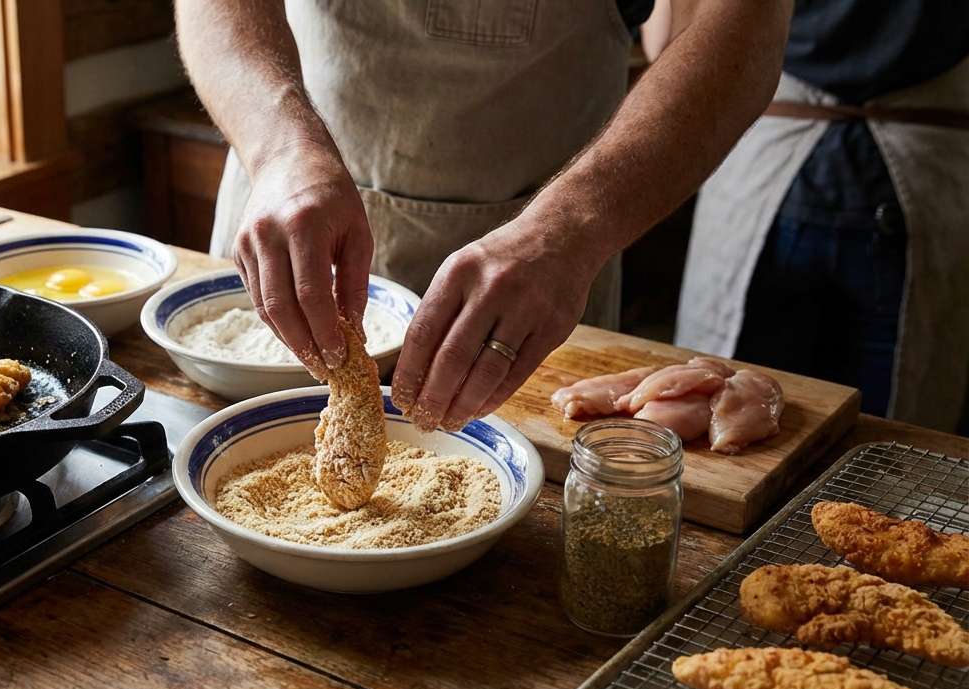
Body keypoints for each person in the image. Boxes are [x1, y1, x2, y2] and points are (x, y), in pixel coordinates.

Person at [175, 0, 790, 432]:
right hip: (288, 201)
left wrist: (571, 229)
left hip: (548, 248)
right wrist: (282, 148)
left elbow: (740, 27)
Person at [668, 1, 969, 433]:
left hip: (768, 167)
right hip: (924, 173)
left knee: (731, 428)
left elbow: (672, 41)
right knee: (890, 449)